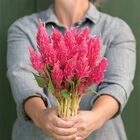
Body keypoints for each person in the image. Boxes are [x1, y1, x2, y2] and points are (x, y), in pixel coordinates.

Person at [7, 0, 136, 140]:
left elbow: (118, 85)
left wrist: (95, 118)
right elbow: (23, 82)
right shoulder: (24, 28)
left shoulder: (116, 29)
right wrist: (41, 115)